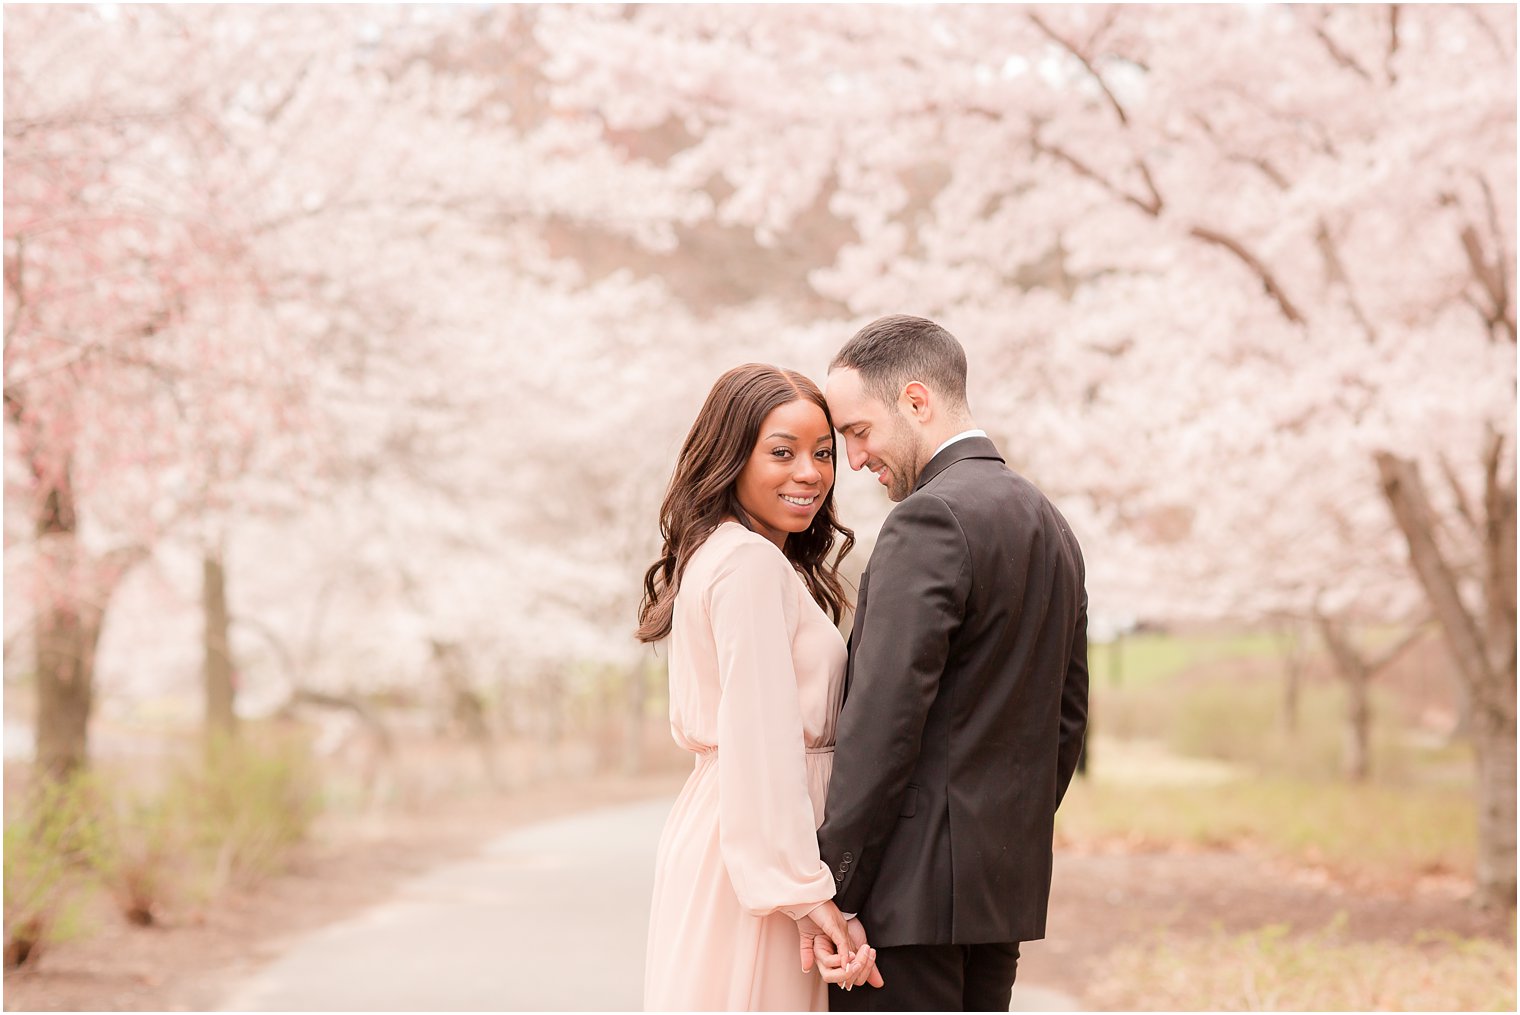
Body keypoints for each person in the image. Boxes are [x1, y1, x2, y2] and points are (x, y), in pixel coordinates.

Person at [811, 315, 1089, 1011]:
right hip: (998, 896)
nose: (855, 458)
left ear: (916, 401)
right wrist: (998, 833)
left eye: (857, 430)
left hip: (906, 906)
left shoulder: (927, 520)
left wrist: (834, 886)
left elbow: (883, 719)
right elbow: (1067, 719)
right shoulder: (1050, 524)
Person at [640, 363, 883, 1011]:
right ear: (730, 456)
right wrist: (803, 892)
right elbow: (762, 736)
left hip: (739, 835)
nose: (810, 472)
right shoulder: (746, 564)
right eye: (782, 451)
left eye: (824, 452)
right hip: (758, 851)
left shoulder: (733, 555)